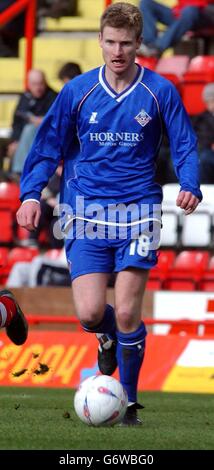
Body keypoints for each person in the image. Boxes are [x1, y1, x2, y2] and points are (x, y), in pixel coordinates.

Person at [15, 2, 202, 426]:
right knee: (89, 312)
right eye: (110, 42)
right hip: (84, 211)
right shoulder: (77, 92)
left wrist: (189, 184)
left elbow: (185, 144)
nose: (117, 51)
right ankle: (106, 337)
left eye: (126, 43)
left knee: (129, 311)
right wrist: (30, 195)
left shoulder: (160, 90)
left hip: (139, 210)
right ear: (100, 40)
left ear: (139, 44)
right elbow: (46, 148)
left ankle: (130, 404)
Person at [7, 69, 57, 174]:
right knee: (13, 148)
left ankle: (21, 171)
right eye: (34, 84)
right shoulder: (25, 97)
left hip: (45, 139)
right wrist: (14, 141)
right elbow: (17, 122)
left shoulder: (54, 97)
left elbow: (56, 120)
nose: (38, 88)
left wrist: (42, 120)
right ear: (29, 84)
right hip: (24, 141)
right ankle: (13, 176)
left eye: (40, 84)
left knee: (29, 129)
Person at [138, 0, 214, 57]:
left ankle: (157, 48)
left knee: (190, 11)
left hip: (201, 15)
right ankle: (149, 45)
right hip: (181, 13)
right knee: (146, 3)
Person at [192, 82, 214, 184]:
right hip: (207, 150)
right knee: (204, 158)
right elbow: (199, 136)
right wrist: (210, 144)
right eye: (210, 101)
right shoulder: (201, 118)